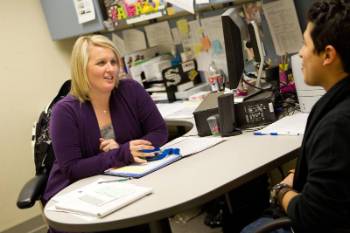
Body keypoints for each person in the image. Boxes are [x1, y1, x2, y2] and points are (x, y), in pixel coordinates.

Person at [241, 0, 350, 232]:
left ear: (328, 55)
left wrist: (280, 191)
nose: (300, 53)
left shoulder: (335, 127)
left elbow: (312, 216)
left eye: (305, 44)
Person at [42, 35, 168, 233]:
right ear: (82, 68)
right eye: (101, 63)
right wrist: (121, 154)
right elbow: (72, 169)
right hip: (76, 198)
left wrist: (123, 150)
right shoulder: (64, 111)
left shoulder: (131, 90)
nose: (110, 69)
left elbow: (159, 131)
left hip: (122, 185)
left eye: (113, 62)